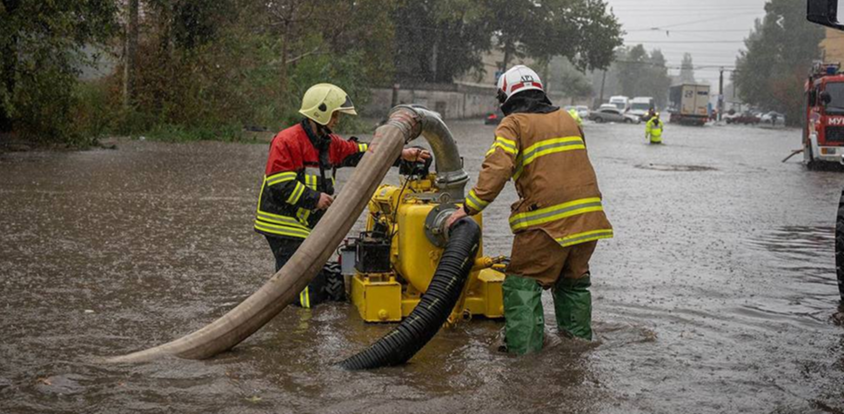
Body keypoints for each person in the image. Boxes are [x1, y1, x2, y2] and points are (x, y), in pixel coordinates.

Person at [446, 65, 613, 354]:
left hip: (546, 225)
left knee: (521, 283)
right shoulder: (569, 119)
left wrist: (468, 207)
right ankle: (577, 351)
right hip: (590, 222)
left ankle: (524, 361)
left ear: (507, 97)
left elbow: (497, 167)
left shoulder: (514, 124)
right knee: (572, 284)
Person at [254, 83, 431, 308]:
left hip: (305, 224)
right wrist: (315, 199)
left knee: (299, 280)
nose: (337, 120)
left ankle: (294, 320)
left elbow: (365, 154)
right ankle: (300, 331)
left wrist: (401, 154)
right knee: (305, 284)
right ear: (321, 112)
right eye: (335, 114)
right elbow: (279, 183)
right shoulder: (287, 140)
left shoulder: (329, 143)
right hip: (282, 224)